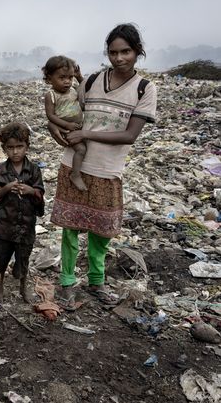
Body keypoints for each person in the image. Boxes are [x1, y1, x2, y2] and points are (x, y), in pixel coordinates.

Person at [48, 23, 157, 310]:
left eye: (126, 52)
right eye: (113, 52)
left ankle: (96, 281)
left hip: (108, 170)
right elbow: (69, 112)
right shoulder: (93, 80)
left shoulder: (145, 89)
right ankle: (67, 283)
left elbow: (129, 135)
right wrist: (55, 129)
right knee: (70, 230)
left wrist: (85, 134)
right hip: (75, 164)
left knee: (101, 231)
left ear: (138, 52)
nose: (119, 58)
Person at [0, 122, 45, 303]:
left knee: (23, 258)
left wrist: (31, 191)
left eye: (19, 147)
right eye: (10, 148)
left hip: (26, 225)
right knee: (0, 259)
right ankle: (0, 287)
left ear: (27, 146)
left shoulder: (34, 170)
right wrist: (6, 188)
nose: (15, 152)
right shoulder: (1, 170)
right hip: (4, 225)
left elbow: (40, 193)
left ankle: (23, 286)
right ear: (4, 149)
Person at [42, 56, 87, 191]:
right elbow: (50, 115)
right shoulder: (51, 95)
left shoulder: (73, 90)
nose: (67, 82)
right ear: (50, 79)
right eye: (62, 78)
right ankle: (75, 175)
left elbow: (86, 89)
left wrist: (79, 77)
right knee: (81, 149)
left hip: (78, 126)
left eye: (70, 78)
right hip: (66, 129)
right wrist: (66, 126)